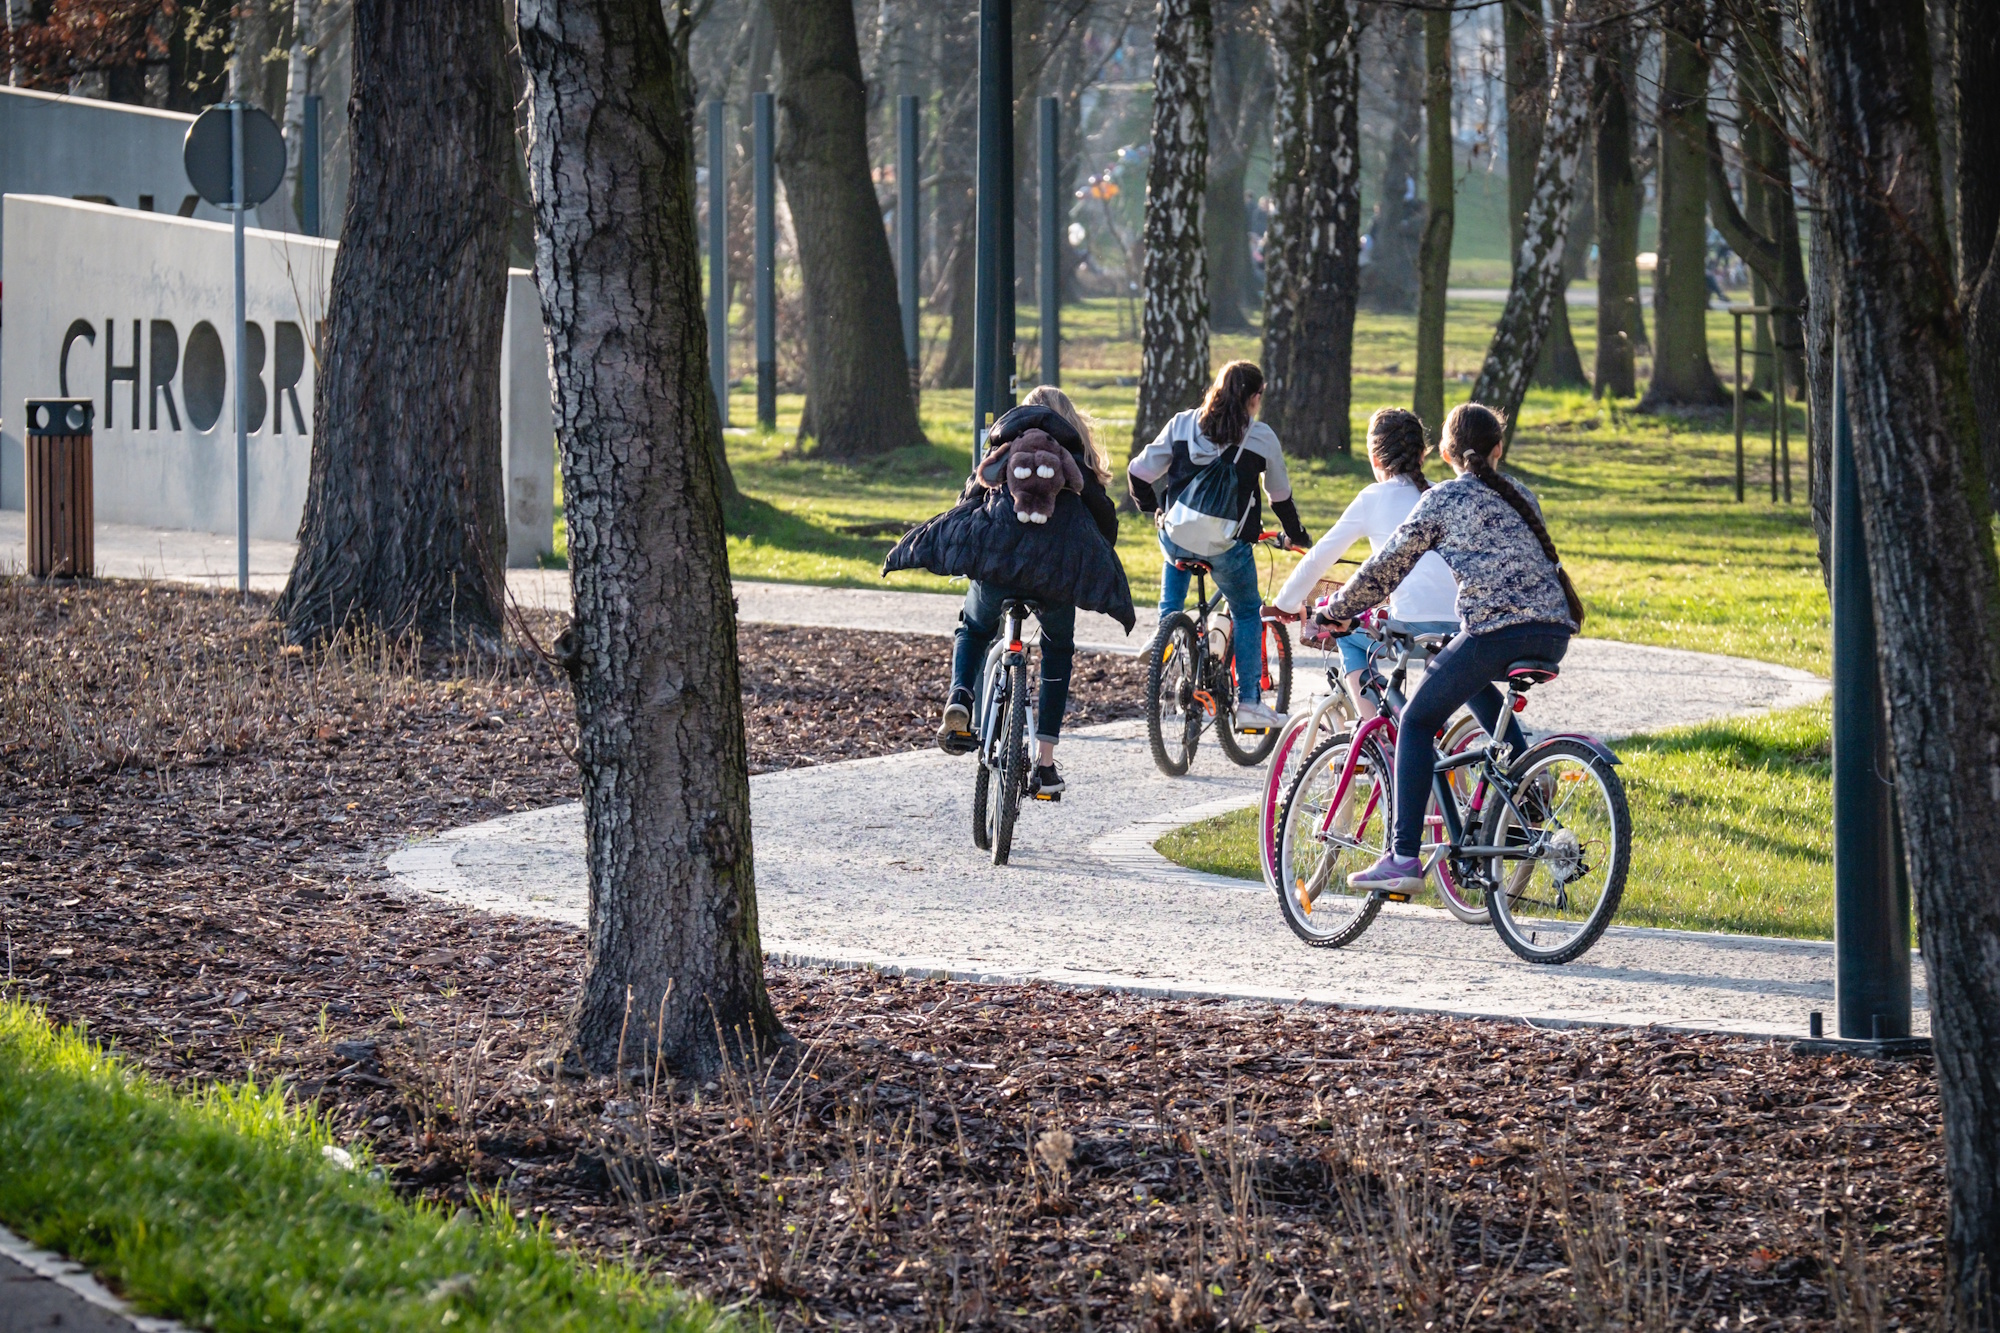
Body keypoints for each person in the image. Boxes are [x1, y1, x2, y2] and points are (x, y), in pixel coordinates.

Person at [1310, 402, 1581, 894]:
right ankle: (1528, 809)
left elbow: (1385, 569)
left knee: (1415, 720)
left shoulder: (1444, 498)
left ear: (1446, 453)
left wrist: (1336, 608)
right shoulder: (1522, 494)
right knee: (1470, 686)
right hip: (1554, 632)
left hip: (1495, 632)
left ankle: (1403, 858)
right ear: (1498, 449)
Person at [910, 385, 1129, 799]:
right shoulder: (1074, 460)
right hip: (1056, 579)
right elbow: (1105, 522)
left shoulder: (1005, 449)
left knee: (974, 628)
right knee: (1058, 646)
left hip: (997, 571)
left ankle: (961, 697)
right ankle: (1044, 764)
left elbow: (967, 502)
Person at [1128, 361, 1312, 731]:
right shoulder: (1261, 438)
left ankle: (1167, 628)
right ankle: (1249, 703)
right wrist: (1297, 534)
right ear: (1255, 397)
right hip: (1227, 545)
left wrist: (1156, 510)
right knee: (1246, 611)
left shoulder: (1182, 424)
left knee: (1175, 541)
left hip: (1177, 536)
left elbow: (1138, 472)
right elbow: (1279, 498)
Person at [1265, 408, 1459, 715]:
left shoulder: (1374, 498)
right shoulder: (1442, 494)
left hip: (1412, 624)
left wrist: (1286, 603)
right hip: (1459, 627)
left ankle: (1373, 737)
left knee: (1346, 632)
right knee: (1430, 715)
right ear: (1423, 455)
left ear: (1375, 460)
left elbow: (1318, 559)